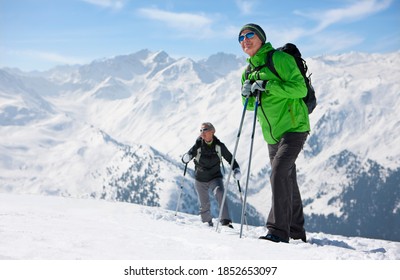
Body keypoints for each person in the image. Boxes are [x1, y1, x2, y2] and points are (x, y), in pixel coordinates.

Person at [238, 23, 310, 243]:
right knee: (287, 179)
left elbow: (300, 89)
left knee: (278, 173)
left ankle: (278, 231)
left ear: (261, 38)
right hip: (272, 135)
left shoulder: (280, 59)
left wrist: (268, 85)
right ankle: (296, 231)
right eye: (240, 38)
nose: (245, 40)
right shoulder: (248, 71)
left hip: (294, 127)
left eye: (250, 35)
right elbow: (249, 107)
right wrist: (246, 93)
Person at [182, 122, 241, 228]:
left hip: (215, 177)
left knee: (220, 193)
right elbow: (189, 155)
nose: (202, 133)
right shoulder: (198, 145)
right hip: (200, 179)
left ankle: (226, 222)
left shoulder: (219, 146)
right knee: (204, 204)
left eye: (205, 130)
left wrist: (236, 169)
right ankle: (207, 223)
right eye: (201, 130)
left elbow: (230, 159)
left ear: (212, 132)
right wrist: (185, 158)